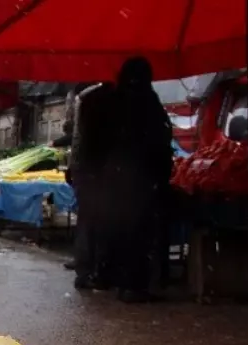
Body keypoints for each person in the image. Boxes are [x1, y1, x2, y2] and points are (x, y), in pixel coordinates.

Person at [101, 57, 172, 303]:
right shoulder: (146, 101)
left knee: (121, 231)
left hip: (117, 178)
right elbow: (158, 142)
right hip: (140, 178)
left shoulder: (114, 101)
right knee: (139, 234)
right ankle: (134, 284)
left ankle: (122, 281)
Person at [68, 81, 116, 290]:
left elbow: (77, 138)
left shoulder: (86, 99)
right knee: (96, 222)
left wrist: (73, 166)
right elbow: (81, 137)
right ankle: (95, 271)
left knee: (88, 222)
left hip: (86, 169)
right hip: (98, 171)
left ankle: (86, 270)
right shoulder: (98, 98)